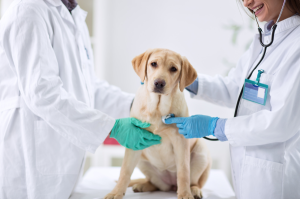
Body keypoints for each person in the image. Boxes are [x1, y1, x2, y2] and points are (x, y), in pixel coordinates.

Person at [0, 0, 161, 198]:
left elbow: (88, 88)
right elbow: (42, 94)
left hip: (61, 163)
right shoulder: (28, 10)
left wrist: (140, 106)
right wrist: (112, 128)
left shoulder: (73, 15)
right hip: (30, 166)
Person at [166, 0, 300, 199]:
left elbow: (280, 123)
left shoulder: (296, 45)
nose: (247, 2)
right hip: (252, 177)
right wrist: (186, 80)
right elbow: (235, 89)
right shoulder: (267, 39)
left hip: (275, 183)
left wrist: (216, 126)